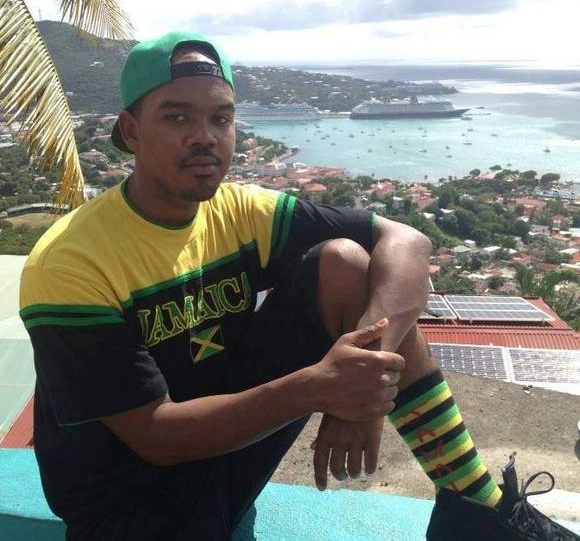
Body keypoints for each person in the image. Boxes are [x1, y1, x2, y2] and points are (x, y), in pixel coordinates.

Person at [20, 32, 578, 541]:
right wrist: (320, 389)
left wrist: (365, 378)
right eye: (177, 117)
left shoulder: (240, 211)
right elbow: (157, 438)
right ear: (130, 130)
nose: (204, 137)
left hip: (228, 452)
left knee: (345, 263)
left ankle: (475, 505)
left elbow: (407, 242)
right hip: (132, 506)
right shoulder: (72, 263)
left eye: (221, 118)